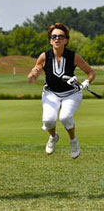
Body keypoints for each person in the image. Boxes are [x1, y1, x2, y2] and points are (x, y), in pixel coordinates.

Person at [27, 23, 95, 159]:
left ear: (66, 40)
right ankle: (53, 137)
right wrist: (33, 75)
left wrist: (87, 81)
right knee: (48, 120)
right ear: (50, 40)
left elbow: (91, 72)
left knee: (65, 117)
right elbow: (34, 72)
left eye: (60, 36)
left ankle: (73, 141)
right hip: (50, 93)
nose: (57, 39)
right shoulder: (44, 56)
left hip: (72, 93)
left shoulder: (73, 56)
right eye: (54, 36)